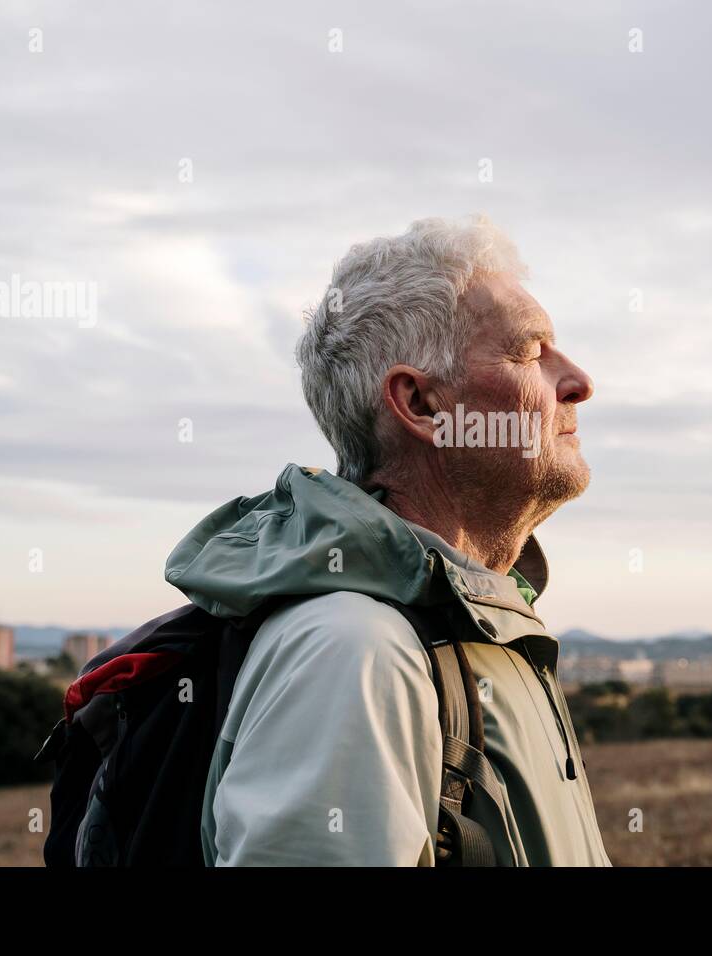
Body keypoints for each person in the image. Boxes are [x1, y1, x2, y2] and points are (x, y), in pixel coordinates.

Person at [165, 215, 609, 865]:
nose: (579, 382)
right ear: (424, 406)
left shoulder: (481, 625)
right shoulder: (353, 651)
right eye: (532, 352)